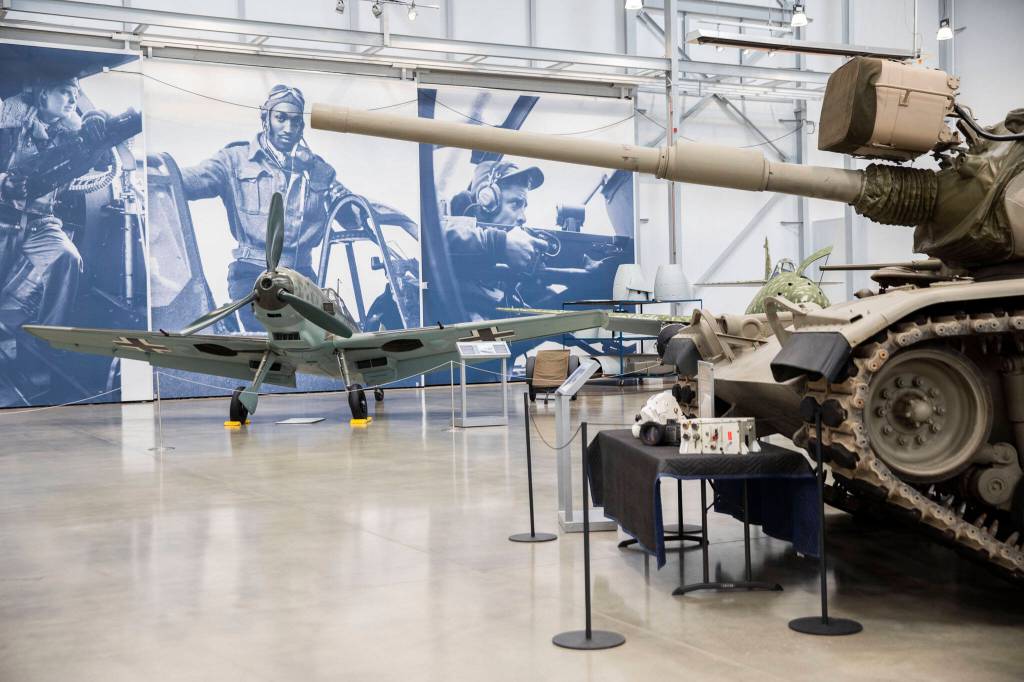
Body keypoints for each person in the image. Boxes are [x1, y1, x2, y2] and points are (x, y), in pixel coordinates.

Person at [181, 84, 349, 331]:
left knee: (318, 344)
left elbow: (353, 217)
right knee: (268, 343)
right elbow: (188, 182)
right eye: (280, 118)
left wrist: (318, 175)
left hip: (302, 277)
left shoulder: (318, 170)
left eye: (295, 121)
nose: (288, 128)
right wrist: (154, 172)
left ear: (302, 127)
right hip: (252, 275)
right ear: (266, 118)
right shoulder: (234, 160)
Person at [0, 77, 91, 374]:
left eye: (76, 94)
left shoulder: (72, 137)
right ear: (43, 94)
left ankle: (48, 342)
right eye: (65, 91)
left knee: (67, 257)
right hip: (3, 219)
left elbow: (107, 164)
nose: (72, 99)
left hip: (41, 223)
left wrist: (97, 143)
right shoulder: (8, 123)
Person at [445, 159, 547, 320]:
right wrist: (498, 243)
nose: (523, 218)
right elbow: (438, 240)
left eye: (524, 206)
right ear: (488, 201)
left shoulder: (497, 259)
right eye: (516, 204)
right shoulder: (440, 229)